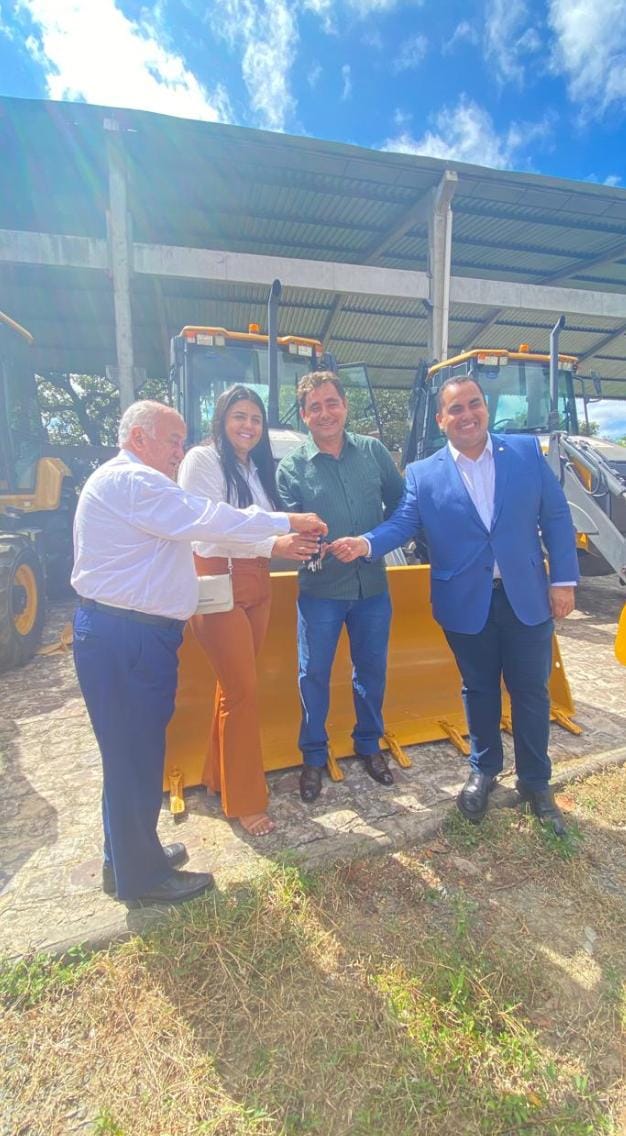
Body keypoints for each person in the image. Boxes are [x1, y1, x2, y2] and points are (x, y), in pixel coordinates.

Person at [71, 399, 326, 904]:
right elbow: (209, 519)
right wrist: (285, 522)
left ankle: (126, 858)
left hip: (128, 632)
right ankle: (142, 878)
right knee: (134, 756)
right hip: (128, 636)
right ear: (138, 438)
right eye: (172, 440)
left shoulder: (131, 482)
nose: (179, 451)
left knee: (132, 755)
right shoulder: (135, 482)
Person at [330, 375, 579, 836]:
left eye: (474, 404)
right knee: (478, 688)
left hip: (526, 596)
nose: (467, 415)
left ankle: (535, 783)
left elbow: (556, 514)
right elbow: (403, 522)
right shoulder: (423, 473)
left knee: (531, 691)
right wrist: (365, 543)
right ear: (441, 419)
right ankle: (484, 771)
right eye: (456, 409)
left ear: (485, 408)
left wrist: (563, 580)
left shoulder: (525, 453)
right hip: (465, 601)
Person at [178, 385, 321, 837]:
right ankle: (245, 801)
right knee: (242, 691)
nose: (249, 426)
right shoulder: (201, 461)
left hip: (257, 582)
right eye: (239, 416)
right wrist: (275, 542)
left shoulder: (254, 469)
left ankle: (218, 777)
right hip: (219, 581)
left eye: (256, 419)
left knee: (232, 688)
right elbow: (209, 525)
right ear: (221, 420)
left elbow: (260, 527)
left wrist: (291, 541)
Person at [276, 371, 405, 803]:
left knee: (371, 671)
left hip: (372, 587)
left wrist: (369, 543)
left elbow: (403, 509)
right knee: (313, 673)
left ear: (345, 406)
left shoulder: (373, 453)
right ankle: (313, 755)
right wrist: (318, 545)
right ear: (304, 415)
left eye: (332, 403)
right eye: (315, 407)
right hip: (320, 592)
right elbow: (290, 533)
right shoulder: (291, 468)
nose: (325, 413)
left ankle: (368, 744)